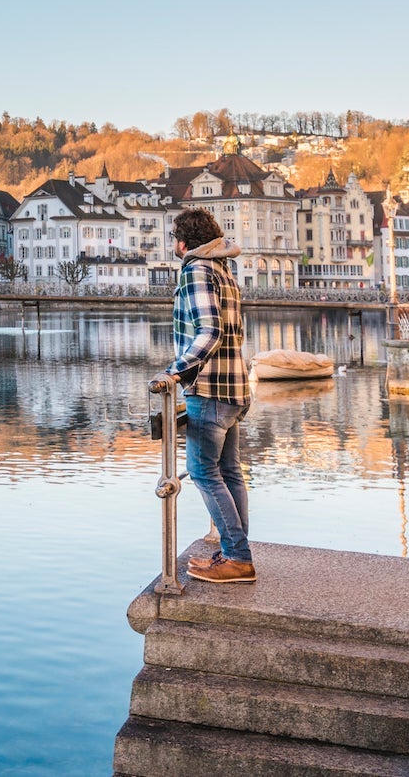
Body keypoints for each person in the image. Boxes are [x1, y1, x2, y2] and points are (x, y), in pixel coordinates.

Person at [156, 207, 255, 584]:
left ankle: (237, 556)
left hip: (210, 387)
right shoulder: (224, 271)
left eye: (174, 239)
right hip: (234, 386)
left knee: (202, 472)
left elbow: (209, 332)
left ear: (182, 242)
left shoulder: (196, 270)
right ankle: (234, 551)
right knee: (229, 472)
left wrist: (176, 370)